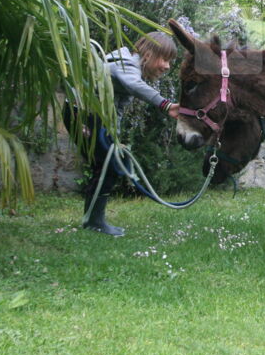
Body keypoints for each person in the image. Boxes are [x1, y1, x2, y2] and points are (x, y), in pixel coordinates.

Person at [63, 30, 189, 236]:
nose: (166, 67)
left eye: (169, 62)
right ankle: (94, 221)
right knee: (108, 167)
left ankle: (93, 220)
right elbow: (134, 85)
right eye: (164, 59)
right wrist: (165, 105)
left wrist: (115, 137)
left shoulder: (126, 65)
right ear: (148, 53)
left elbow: (117, 108)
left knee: (107, 166)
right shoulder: (127, 64)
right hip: (84, 114)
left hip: (91, 115)